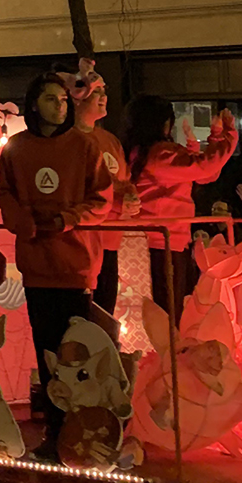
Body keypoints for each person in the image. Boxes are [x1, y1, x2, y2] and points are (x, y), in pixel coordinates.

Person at [0, 72, 112, 461]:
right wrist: (24, 222)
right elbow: (5, 193)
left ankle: (80, 435)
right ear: (34, 104)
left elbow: (101, 199)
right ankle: (55, 433)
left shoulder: (85, 146)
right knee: (47, 354)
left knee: (76, 355)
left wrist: (69, 219)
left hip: (75, 263)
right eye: (51, 99)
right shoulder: (15, 147)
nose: (60, 105)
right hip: (36, 264)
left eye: (63, 99)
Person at [124, 96, 238, 316]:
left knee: (168, 310)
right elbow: (204, 169)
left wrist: (212, 140)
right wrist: (227, 136)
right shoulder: (160, 154)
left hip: (164, 239)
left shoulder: (145, 152)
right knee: (167, 313)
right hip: (163, 241)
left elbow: (204, 173)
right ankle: (167, 350)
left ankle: (167, 348)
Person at [65, 59, 138, 314]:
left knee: (105, 312)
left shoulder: (109, 141)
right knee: (82, 317)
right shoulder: (67, 142)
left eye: (104, 91)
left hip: (110, 240)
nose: (103, 97)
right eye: (96, 91)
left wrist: (130, 198)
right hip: (81, 243)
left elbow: (124, 182)